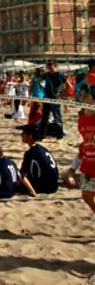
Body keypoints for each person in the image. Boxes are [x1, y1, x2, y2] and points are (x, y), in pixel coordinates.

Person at [66, 84, 95, 213]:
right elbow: (83, 145)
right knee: (86, 196)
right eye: (82, 95)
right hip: (88, 165)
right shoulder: (82, 120)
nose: (82, 99)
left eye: (85, 96)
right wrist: (72, 170)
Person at [17, 123, 59, 195]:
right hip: (55, 185)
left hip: (44, 187)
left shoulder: (30, 153)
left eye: (23, 134)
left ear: (30, 136)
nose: (21, 136)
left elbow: (22, 174)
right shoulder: (43, 149)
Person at [39, 59, 66, 140]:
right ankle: (41, 135)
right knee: (45, 117)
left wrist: (61, 93)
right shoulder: (46, 75)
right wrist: (42, 87)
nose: (48, 66)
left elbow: (67, 85)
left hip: (55, 98)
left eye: (50, 64)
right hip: (46, 97)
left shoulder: (60, 75)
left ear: (54, 65)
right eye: (47, 64)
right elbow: (40, 80)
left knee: (57, 116)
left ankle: (59, 135)